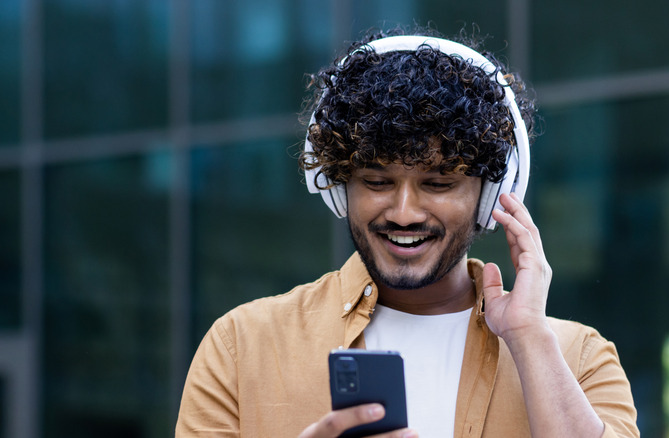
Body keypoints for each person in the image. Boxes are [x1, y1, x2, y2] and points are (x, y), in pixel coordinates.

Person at [176, 27, 639, 438]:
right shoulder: (242, 346)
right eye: (377, 182)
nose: (403, 213)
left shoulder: (578, 358)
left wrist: (529, 338)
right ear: (340, 189)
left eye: (438, 184)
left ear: (488, 197)